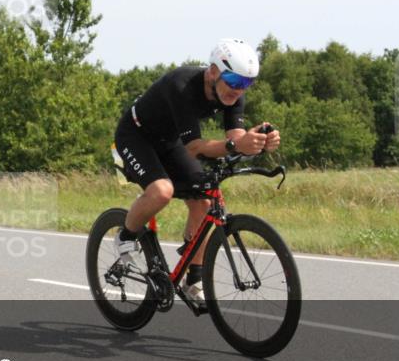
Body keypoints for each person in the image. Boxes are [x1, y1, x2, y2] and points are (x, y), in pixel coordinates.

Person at [113, 39, 281, 306]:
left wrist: (257, 143)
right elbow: (194, 148)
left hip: (169, 141)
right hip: (136, 136)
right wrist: (237, 145)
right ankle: (126, 235)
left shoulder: (233, 94)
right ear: (213, 71)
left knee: (203, 200)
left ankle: (193, 280)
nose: (239, 89)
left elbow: (235, 139)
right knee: (161, 192)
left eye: (247, 83)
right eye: (234, 80)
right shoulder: (182, 85)